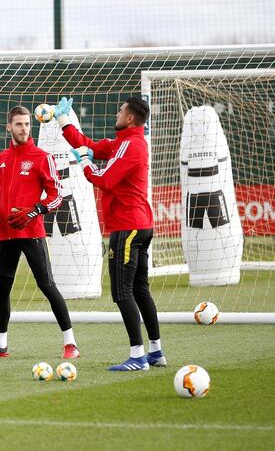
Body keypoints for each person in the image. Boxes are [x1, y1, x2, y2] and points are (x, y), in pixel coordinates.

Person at [53, 96, 165, 371]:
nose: (117, 113)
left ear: (129, 118)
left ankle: (138, 356)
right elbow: (88, 144)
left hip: (127, 226)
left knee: (122, 291)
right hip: (138, 224)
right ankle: (155, 351)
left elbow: (103, 180)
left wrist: (84, 163)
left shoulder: (132, 146)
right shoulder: (124, 142)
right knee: (139, 288)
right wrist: (64, 121)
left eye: (120, 110)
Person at [0, 106, 80, 360]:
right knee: (2, 289)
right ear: (9, 127)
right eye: (19, 124)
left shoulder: (41, 157)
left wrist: (34, 210)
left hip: (31, 232)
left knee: (46, 285)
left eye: (26, 124)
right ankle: (0, 345)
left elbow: (57, 195)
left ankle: (70, 344)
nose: (24, 128)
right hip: (6, 234)